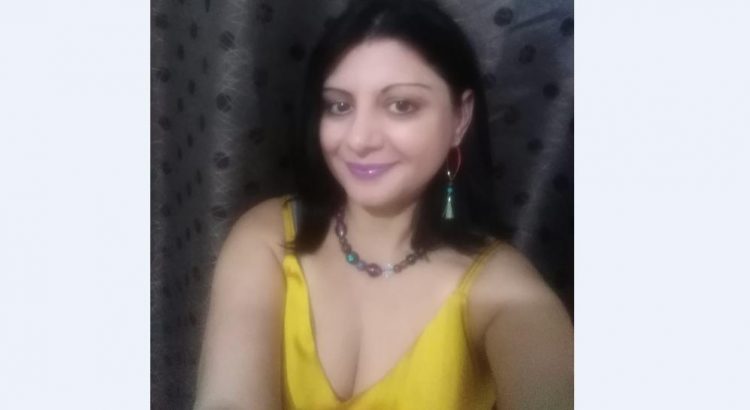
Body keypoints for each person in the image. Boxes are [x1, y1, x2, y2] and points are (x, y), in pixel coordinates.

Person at [194, 0, 573, 409]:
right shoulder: (268, 236)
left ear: (459, 118)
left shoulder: (504, 293)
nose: (359, 139)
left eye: (401, 105)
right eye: (339, 105)